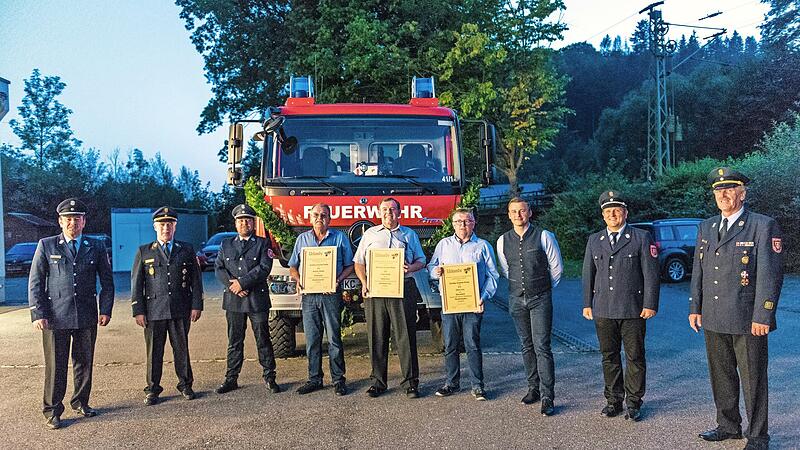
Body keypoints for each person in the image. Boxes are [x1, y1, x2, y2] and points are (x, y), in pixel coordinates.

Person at [690, 168, 784, 450]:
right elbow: (699, 270)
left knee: (753, 379)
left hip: (747, 319)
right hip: (714, 315)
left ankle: (757, 436)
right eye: (719, 191)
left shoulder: (762, 225)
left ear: (742, 193)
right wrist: (696, 306)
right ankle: (728, 425)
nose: (723, 195)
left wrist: (763, 315)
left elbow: (770, 274)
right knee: (721, 375)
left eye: (730, 189)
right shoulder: (706, 227)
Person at [28, 198, 114, 429]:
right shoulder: (47, 245)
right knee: (55, 365)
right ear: (60, 221)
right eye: (68, 219)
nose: (72, 223)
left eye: (77, 219)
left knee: (84, 362)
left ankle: (81, 402)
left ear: (84, 222)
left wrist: (105, 309)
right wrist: (38, 313)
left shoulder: (95, 246)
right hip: (55, 316)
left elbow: (107, 282)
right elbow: (35, 282)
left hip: (87, 315)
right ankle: (52, 410)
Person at [582, 191, 660, 422]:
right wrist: (587, 303)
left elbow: (651, 275)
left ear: (625, 213)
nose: (612, 215)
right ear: (603, 215)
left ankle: (634, 402)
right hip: (604, 309)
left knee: (635, 356)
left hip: (633, 309)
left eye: (617, 210)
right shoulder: (595, 240)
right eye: (608, 211)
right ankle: (613, 400)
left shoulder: (640, 237)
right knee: (609, 356)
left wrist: (650, 304)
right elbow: (588, 274)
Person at [353, 197, 426, 398]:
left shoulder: (409, 234)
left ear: (399, 213)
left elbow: (422, 260)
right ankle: (378, 382)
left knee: (405, 336)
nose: (388, 213)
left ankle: (411, 382)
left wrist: (411, 267)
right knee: (377, 336)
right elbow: (359, 262)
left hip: (403, 289)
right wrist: (364, 282)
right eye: (385, 209)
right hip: (375, 291)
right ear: (379, 213)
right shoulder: (369, 235)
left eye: (393, 209)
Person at [497, 197, 563, 416]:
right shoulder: (502, 240)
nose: (518, 215)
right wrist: (520, 287)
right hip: (516, 299)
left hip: (540, 298)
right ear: (508, 215)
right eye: (514, 211)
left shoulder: (544, 236)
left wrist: (541, 287)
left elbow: (556, 268)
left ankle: (547, 396)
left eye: (522, 211)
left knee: (542, 346)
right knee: (526, 345)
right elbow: (506, 270)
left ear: (530, 213)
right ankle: (532, 388)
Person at [131, 207, 203, 406]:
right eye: (162, 224)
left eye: (170, 224)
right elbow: (137, 284)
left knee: (181, 349)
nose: (166, 228)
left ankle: (185, 385)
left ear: (175, 227)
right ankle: (153, 389)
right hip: (154, 311)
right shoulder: (144, 251)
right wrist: (138, 310)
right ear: (155, 227)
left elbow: (196, 281)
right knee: (154, 352)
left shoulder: (186, 250)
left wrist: (197, 305)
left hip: (180, 308)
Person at [428, 208, 499, 401]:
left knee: (472, 344)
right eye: (458, 222)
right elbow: (431, 266)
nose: (463, 225)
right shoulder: (444, 245)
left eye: (467, 221)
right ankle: (451, 383)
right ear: (453, 225)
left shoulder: (483, 246)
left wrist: (483, 296)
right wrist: (437, 272)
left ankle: (477, 386)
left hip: (473, 304)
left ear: (474, 223)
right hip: (450, 304)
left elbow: (493, 275)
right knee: (450, 344)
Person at [214, 204, 282, 395]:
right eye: (241, 220)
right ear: (235, 224)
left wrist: (242, 283)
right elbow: (219, 268)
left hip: (256, 299)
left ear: (253, 223)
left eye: (248, 220)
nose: (244, 223)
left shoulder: (262, 243)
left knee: (263, 339)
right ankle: (231, 379)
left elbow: (264, 268)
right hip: (234, 300)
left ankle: (270, 377)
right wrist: (232, 286)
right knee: (234, 341)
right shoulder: (226, 244)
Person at [288, 203, 354, 396]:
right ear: (310, 218)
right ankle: (314, 379)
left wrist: (337, 280)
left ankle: (338, 380)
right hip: (309, 297)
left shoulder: (340, 238)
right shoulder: (302, 239)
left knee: (334, 338)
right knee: (312, 339)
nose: (319, 218)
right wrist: (299, 279)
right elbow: (293, 266)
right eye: (316, 214)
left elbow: (350, 265)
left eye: (323, 215)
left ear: (329, 218)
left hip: (331, 295)